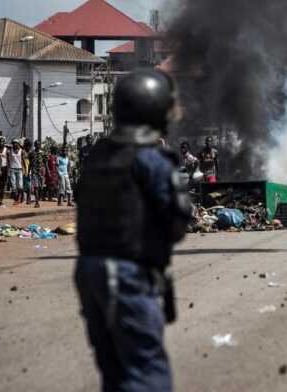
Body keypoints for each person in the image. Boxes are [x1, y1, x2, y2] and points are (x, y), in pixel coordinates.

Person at [75, 69, 192, 392]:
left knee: (114, 371)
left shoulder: (98, 155)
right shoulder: (152, 159)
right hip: (126, 273)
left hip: (89, 271)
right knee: (145, 370)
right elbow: (178, 223)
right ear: (154, 110)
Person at [30, 140, 46, 208]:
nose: (37, 146)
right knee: (36, 187)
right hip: (34, 172)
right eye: (36, 144)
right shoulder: (32, 153)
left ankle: (38, 198)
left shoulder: (43, 153)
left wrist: (45, 171)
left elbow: (45, 162)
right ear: (34, 145)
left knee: (41, 187)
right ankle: (37, 202)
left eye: (38, 144)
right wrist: (28, 171)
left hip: (41, 172)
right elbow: (30, 163)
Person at [0, 137, 8, 205]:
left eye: (2, 142)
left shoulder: (6, 150)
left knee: (2, 186)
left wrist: (8, 171)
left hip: (4, 168)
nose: (1, 143)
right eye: (0, 142)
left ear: (4, 143)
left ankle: (1, 200)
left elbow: (9, 160)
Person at [22, 139, 33, 204]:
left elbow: (31, 163)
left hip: (29, 171)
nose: (29, 147)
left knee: (28, 186)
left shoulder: (31, 153)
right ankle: (22, 198)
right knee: (22, 186)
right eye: (27, 146)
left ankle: (28, 198)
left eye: (29, 146)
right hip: (23, 170)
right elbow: (22, 161)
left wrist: (28, 172)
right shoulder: (23, 152)